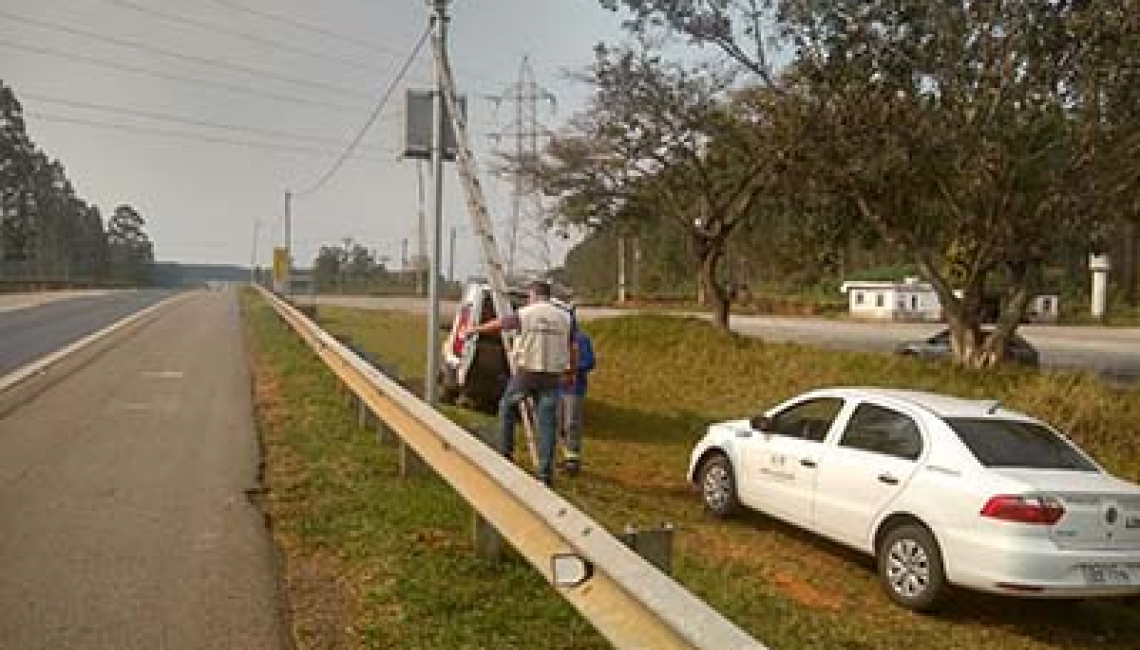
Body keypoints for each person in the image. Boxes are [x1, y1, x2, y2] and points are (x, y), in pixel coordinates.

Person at [465, 279, 574, 487]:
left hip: (527, 373)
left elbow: (500, 324)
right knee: (547, 423)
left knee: (506, 407)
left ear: (533, 295)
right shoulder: (564, 317)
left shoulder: (526, 313)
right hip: (552, 375)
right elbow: (571, 345)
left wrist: (475, 330)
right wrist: (571, 371)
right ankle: (545, 473)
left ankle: (505, 453)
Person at [559, 327, 594, 475]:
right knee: (558, 424)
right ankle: (563, 455)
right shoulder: (556, 336)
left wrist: (570, 369)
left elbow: (589, 362)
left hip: (574, 390)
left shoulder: (581, 339)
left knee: (571, 423)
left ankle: (572, 461)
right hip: (555, 388)